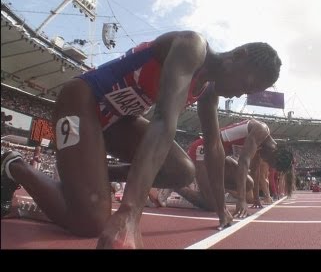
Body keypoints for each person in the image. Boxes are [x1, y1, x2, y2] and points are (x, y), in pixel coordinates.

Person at [0, 31, 282, 249]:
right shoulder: (192, 47)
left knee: (183, 170)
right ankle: (12, 164)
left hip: (117, 122)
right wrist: (129, 212)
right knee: (91, 223)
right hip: (82, 101)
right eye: (247, 84)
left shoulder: (209, 91)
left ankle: (90, 175)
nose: (240, 94)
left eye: (249, 93)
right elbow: (163, 121)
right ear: (241, 54)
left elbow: (214, 147)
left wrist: (222, 210)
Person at [160, 118, 294, 215]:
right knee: (212, 205)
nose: (269, 165)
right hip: (203, 151)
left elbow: (255, 170)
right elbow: (243, 163)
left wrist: (257, 199)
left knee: (249, 184)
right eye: (271, 163)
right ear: (274, 152)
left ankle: (209, 191)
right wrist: (241, 200)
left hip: (219, 158)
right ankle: (174, 185)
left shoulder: (264, 146)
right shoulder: (260, 130)